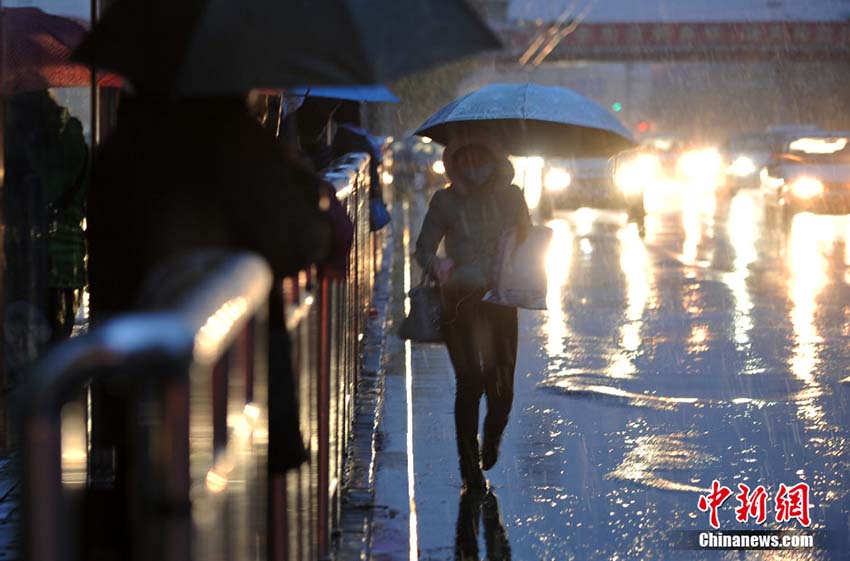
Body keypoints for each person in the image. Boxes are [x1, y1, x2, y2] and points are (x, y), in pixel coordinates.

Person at [414, 134, 529, 490]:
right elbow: (424, 248)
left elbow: (527, 239)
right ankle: (469, 465)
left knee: (501, 384)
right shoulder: (445, 200)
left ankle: (492, 434)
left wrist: (519, 242)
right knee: (469, 381)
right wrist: (438, 265)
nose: (472, 167)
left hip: (501, 299)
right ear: (454, 163)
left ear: (495, 161)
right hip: (459, 302)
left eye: (480, 159)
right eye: (464, 160)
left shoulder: (512, 197)